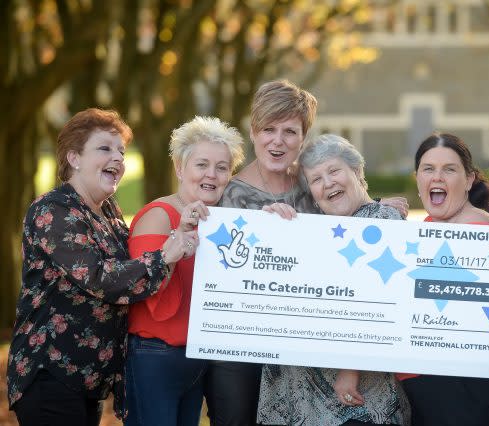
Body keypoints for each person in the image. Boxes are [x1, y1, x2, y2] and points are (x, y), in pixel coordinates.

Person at [214, 79, 408, 425]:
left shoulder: (312, 183)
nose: (278, 140)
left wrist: (378, 209)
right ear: (253, 132)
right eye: (268, 129)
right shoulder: (231, 196)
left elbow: (351, 233)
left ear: (303, 137)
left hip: (320, 354)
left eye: (289, 131)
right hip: (250, 354)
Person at [6, 108, 194, 426]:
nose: (118, 158)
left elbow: (132, 268)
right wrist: (165, 255)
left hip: (87, 381)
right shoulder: (53, 210)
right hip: (50, 375)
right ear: (74, 158)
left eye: (121, 150)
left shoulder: (106, 210)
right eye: (105, 148)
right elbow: (99, 278)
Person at [257, 133, 410, 425]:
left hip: (351, 396)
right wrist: (270, 229)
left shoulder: (383, 222)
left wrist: (350, 369)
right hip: (303, 396)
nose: (327, 183)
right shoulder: (320, 229)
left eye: (334, 171)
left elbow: (380, 306)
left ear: (357, 172)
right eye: (316, 179)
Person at [398, 133, 489, 426]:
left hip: (482, 382)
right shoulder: (428, 229)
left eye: (449, 169)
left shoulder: (479, 230)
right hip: (444, 376)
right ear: (417, 178)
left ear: (469, 180)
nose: (437, 176)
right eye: (428, 169)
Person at [124, 116, 245, 426]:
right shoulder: (158, 216)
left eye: (222, 167)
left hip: (195, 359)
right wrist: (180, 234)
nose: (212, 175)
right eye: (201, 164)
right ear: (180, 168)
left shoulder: (221, 223)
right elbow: (148, 293)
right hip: (156, 356)